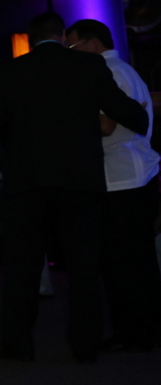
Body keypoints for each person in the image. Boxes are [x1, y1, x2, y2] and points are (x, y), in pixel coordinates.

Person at [0, 12, 149, 364]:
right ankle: (85, 345)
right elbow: (124, 110)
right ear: (60, 36)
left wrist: (21, 143)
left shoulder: (12, 70)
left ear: (31, 38)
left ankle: (18, 343)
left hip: (28, 181)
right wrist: (141, 112)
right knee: (83, 268)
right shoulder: (88, 66)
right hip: (79, 180)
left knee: (23, 266)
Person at [65, 19, 160, 352]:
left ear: (92, 43)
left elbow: (106, 125)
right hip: (133, 174)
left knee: (124, 261)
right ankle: (140, 329)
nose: (69, 54)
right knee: (135, 259)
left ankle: (136, 332)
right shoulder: (125, 69)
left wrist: (68, 116)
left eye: (72, 46)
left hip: (123, 178)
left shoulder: (108, 73)